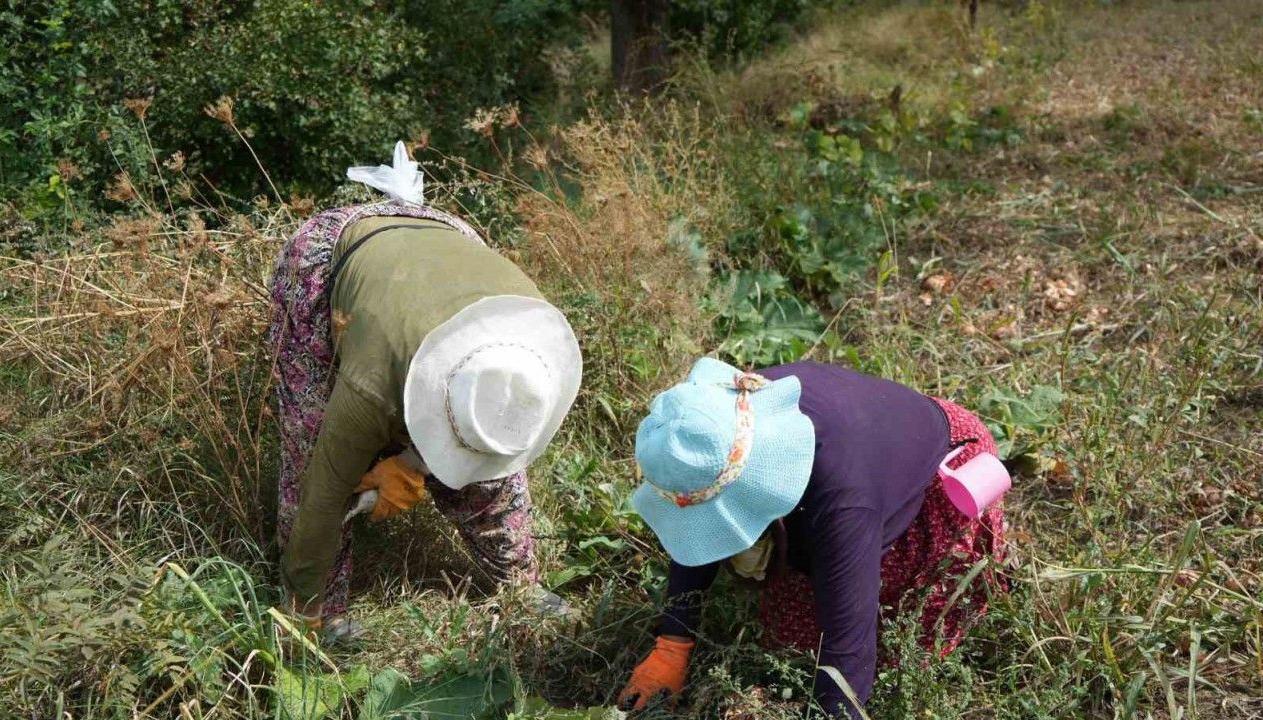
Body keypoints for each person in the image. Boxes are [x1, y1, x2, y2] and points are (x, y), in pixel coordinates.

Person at [268, 143, 582, 640]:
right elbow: (322, 493)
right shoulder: (374, 386)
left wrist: (413, 464)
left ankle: (520, 584)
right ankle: (320, 612)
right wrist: (302, 613)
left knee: (492, 459)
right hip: (333, 259)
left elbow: (487, 434)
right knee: (314, 447)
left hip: (447, 237)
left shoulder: (530, 352)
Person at [617, 358, 1007, 717]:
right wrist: (672, 644)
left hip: (940, 480)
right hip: (869, 442)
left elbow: (846, 660)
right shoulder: (719, 424)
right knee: (787, 626)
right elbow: (695, 520)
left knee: (840, 641)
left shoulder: (843, 504)